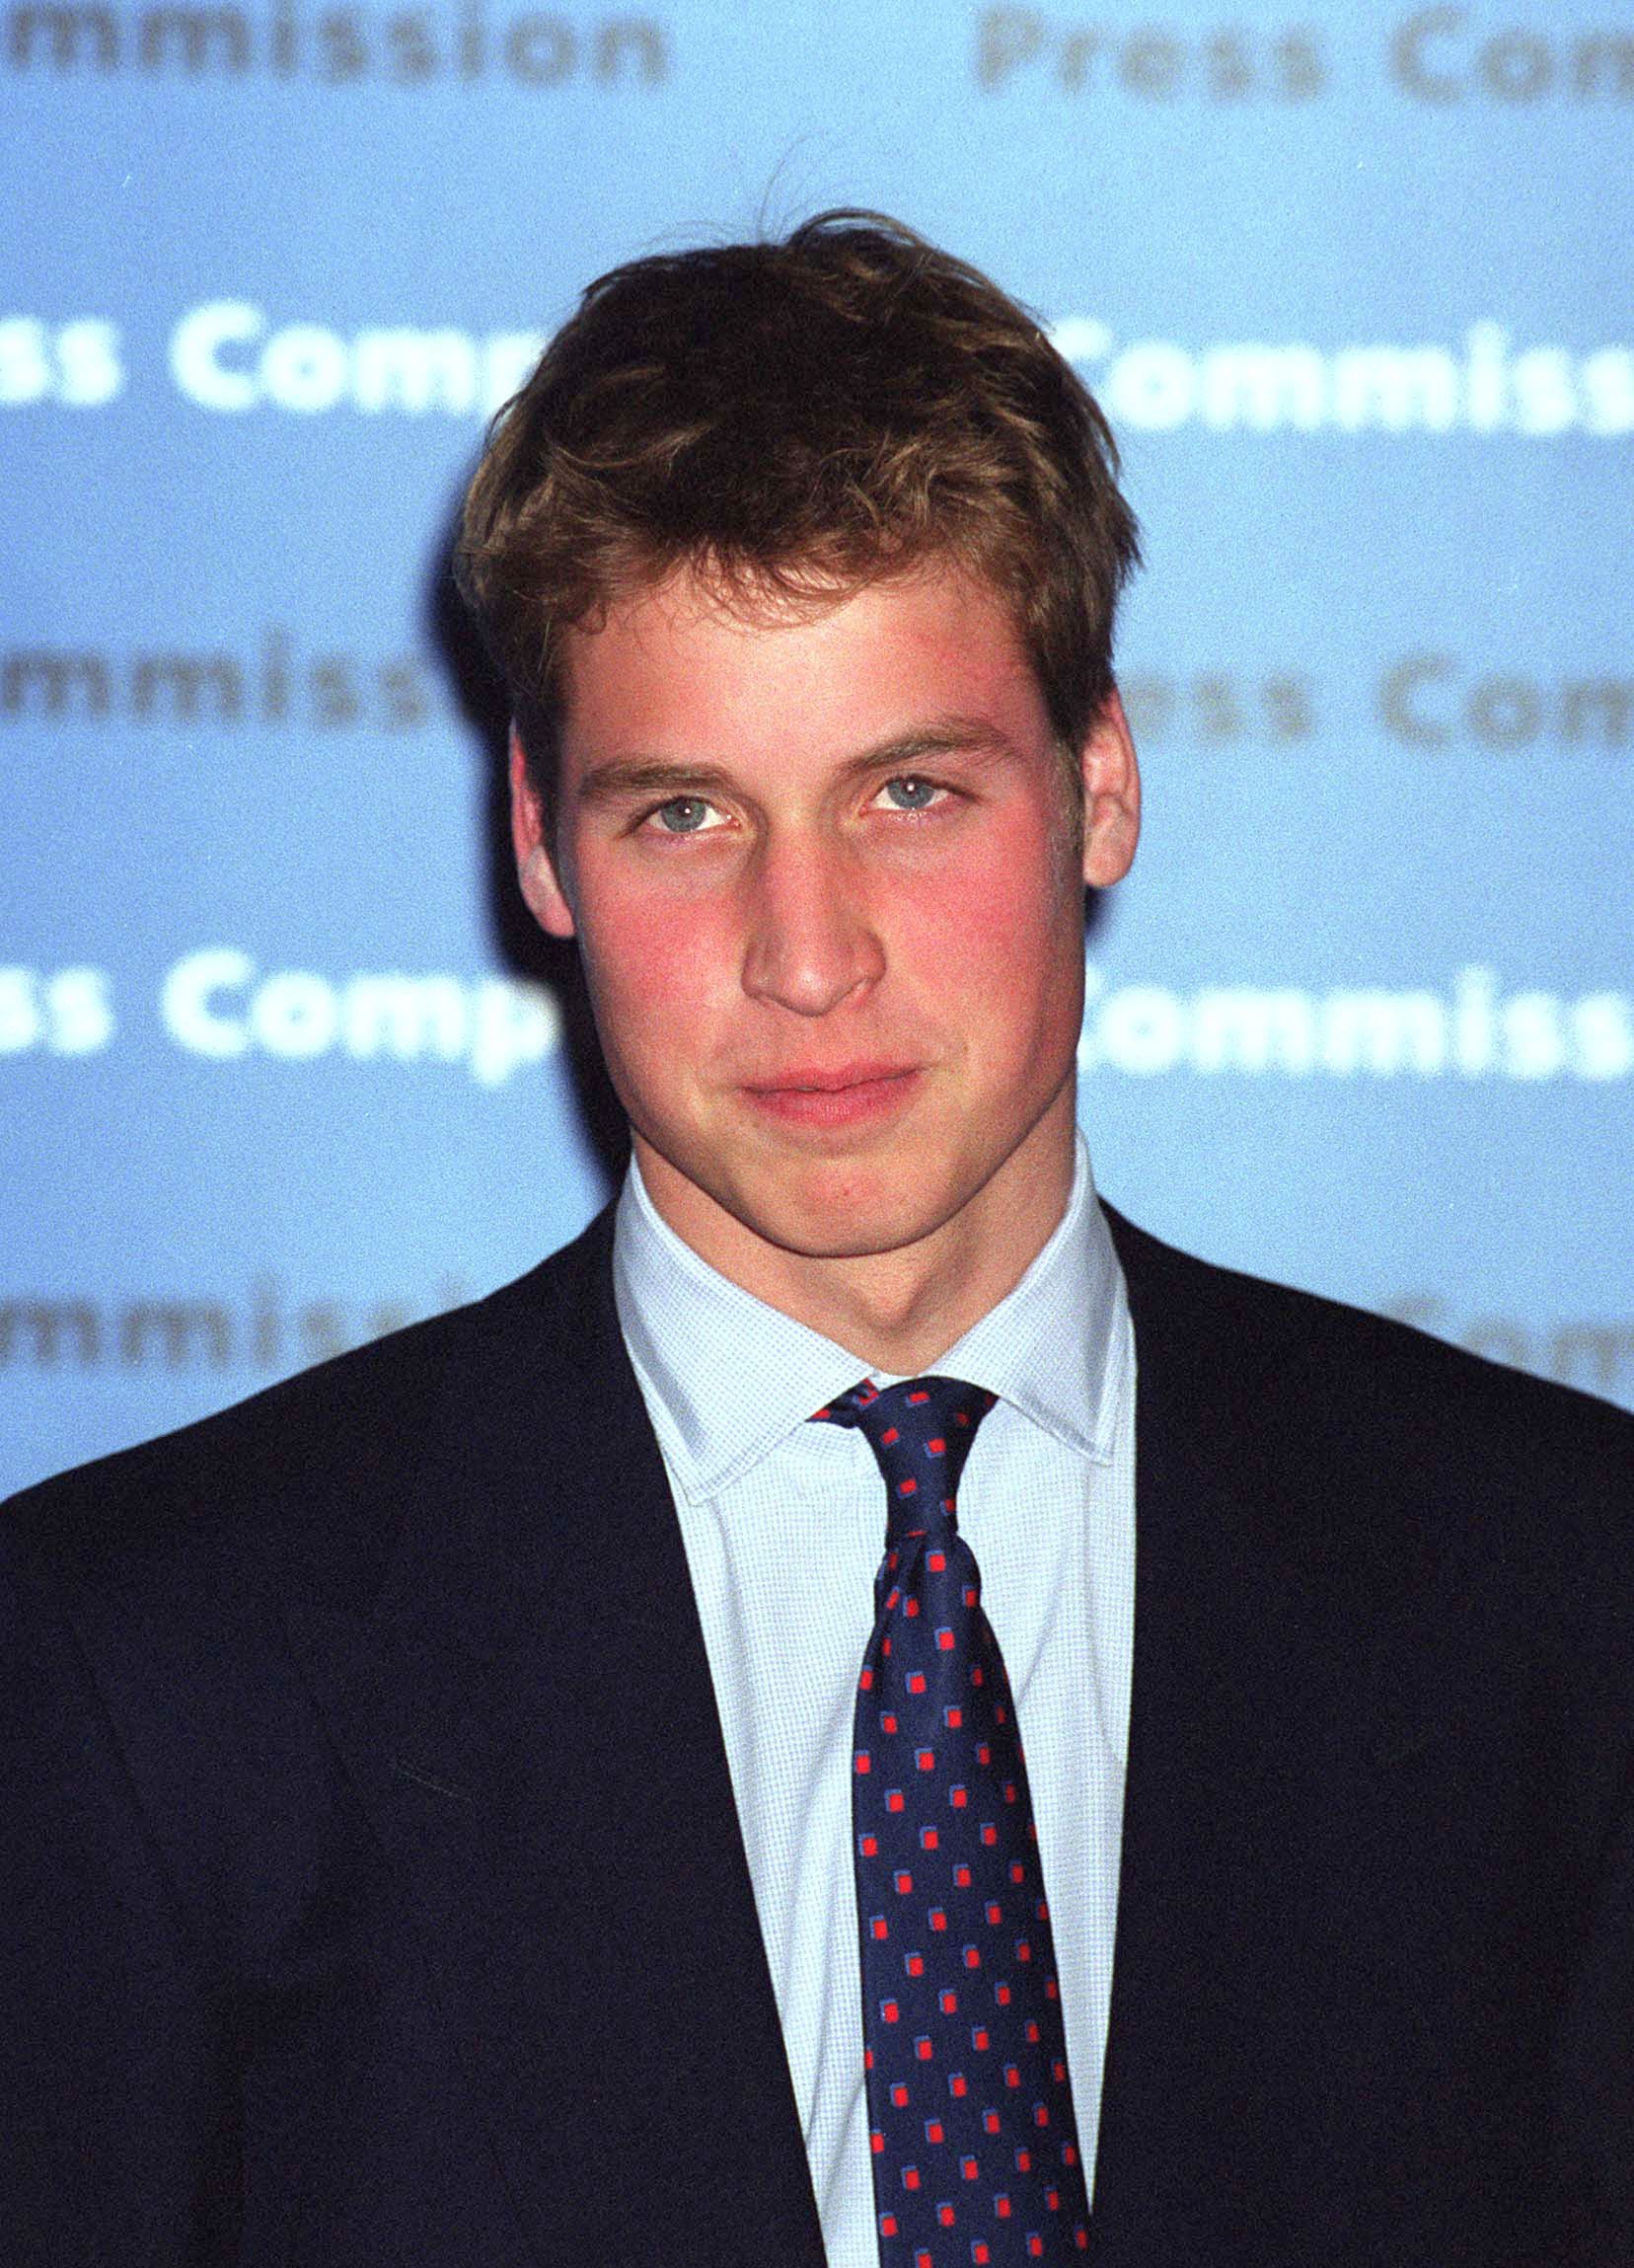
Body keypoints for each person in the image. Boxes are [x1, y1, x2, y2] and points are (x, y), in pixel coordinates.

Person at [2, 212, 1630, 2268]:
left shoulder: (1564, 1601)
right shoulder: (144, 1673)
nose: (805, 955)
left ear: (1100, 786)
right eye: (684, 813)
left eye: (911, 794)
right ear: (538, 845)